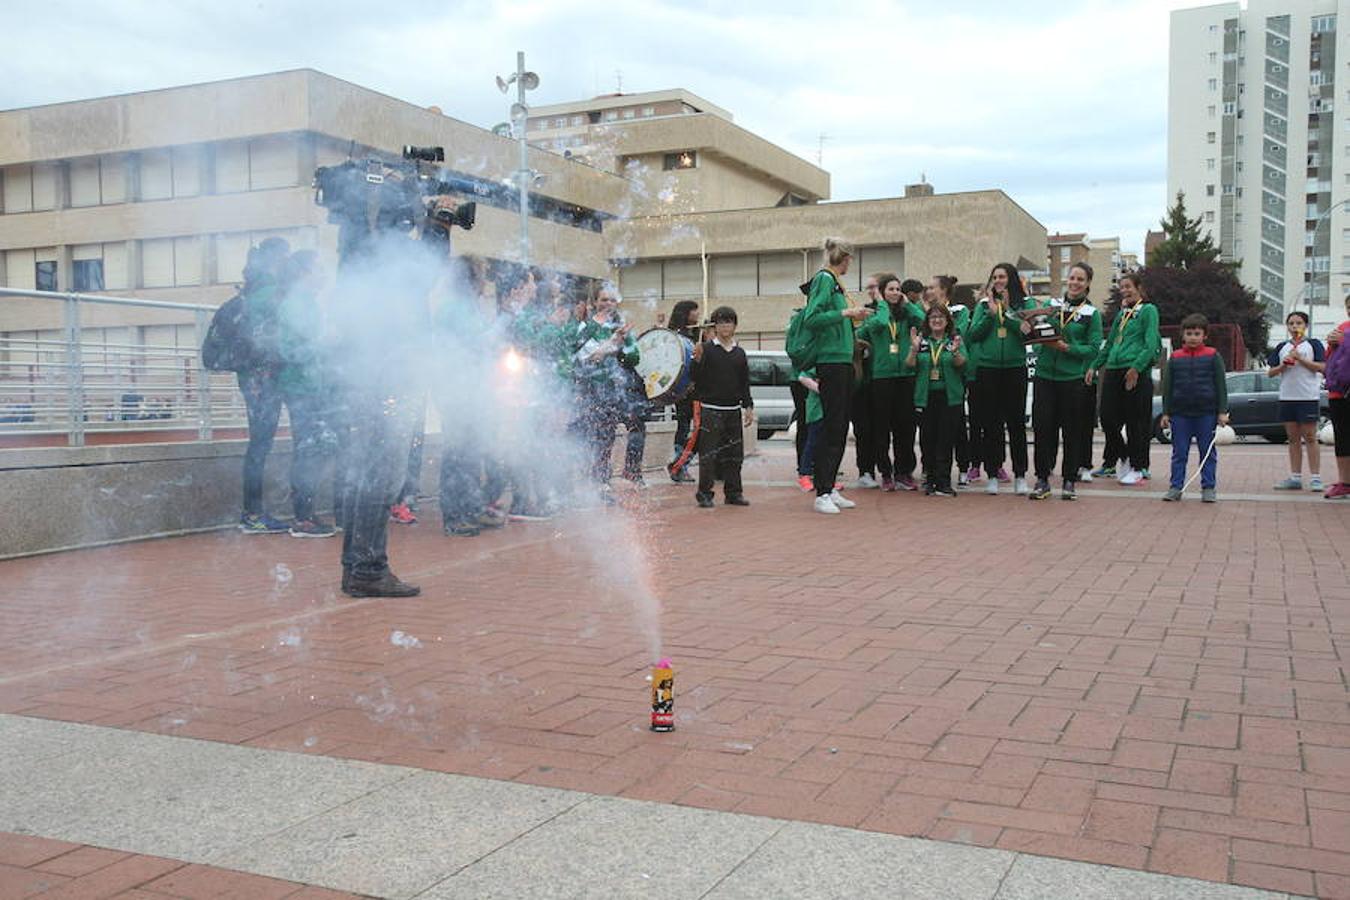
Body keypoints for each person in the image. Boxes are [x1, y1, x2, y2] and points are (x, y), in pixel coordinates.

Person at [799, 237, 872, 514]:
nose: (851, 262)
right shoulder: (825, 280)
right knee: (832, 426)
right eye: (851, 257)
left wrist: (853, 316)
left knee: (840, 426)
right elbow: (812, 317)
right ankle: (822, 492)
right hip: (831, 360)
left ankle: (828, 487)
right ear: (844, 257)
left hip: (842, 359)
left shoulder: (835, 282)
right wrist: (846, 312)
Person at [271, 250, 338, 538]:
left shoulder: (307, 303)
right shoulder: (295, 305)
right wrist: (325, 342)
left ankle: (306, 511)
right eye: (318, 269)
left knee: (315, 447)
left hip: (313, 386)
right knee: (308, 448)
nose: (323, 275)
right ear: (302, 273)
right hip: (301, 387)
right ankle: (302, 517)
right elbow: (290, 351)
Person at [1029, 262, 1103, 501]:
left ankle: (1070, 480)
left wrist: (1067, 347)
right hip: (1044, 376)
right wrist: (1030, 326)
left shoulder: (1092, 314)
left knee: (1072, 431)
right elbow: (1037, 330)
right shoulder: (1051, 305)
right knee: (1043, 430)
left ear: (1088, 283)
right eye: (1072, 278)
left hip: (1072, 379)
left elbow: (1093, 349)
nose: (1075, 283)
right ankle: (1042, 479)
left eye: (1080, 279)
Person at [234, 236, 293, 534]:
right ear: (275, 259)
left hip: (254, 376)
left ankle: (253, 512)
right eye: (285, 257)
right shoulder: (270, 292)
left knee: (259, 444)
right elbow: (280, 334)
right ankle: (253, 513)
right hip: (264, 378)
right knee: (260, 445)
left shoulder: (254, 289)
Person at [570, 282, 641, 501]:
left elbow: (634, 357)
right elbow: (578, 357)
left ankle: (601, 482)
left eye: (612, 300)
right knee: (588, 438)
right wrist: (605, 349)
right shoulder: (585, 327)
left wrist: (620, 346)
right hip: (589, 391)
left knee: (606, 438)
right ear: (594, 303)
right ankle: (583, 483)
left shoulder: (621, 328)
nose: (608, 304)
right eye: (603, 300)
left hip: (613, 392)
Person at [967, 262, 1033, 496]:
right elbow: (973, 335)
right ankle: (993, 473)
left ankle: (1021, 475)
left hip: (1015, 368)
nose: (997, 280)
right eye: (994, 277)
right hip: (988, 369)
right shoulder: (983, 305)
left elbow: (1029, 332)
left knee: (1016, 424)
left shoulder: (1025, 304)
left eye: (1002, 276)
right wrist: (992, 316)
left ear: (1011, 279)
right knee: (991, 424)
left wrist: (1008, 313)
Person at [1090, 271, 1161, 486]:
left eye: (1128, 286)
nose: (1125, 290)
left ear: (1139, 288)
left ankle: (1138, 468)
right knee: (1108, 419)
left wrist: (1137, 367)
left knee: (1135, 423)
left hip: (1135, 370)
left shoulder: (1148, 310)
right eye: (1122, 287)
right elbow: (1110, 343)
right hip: (1113, 369)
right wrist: (1095, 366)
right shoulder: (1122, 315)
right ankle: (1126, 457)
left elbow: (1150, 345)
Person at [860, 273, 923, 491]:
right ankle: (886, 473)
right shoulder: (874, 314)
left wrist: (908, 304)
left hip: (905, 376)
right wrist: (880, 304)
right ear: (882, 292)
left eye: (898, 289)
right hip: (882, 377)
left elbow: (924, 319)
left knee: (905, 427)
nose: (896, 293)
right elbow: (877, 325)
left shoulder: (907, 315)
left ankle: (903, 472)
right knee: (881, 429)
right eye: (891, 289)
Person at [1160, 314, 1229, 503]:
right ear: (1183, 335)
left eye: (1197, 333)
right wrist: (1166, 412)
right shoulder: (1175, 358)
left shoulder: (1213, 356)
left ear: (1204, 335)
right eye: (1189, 333)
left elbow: (1220, 385)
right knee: (1179, 452)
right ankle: (1176, 487)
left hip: (1206, 413)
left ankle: (1208, 487)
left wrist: (1222, 411)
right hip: (1180, 413)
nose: (1192, 337)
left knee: (1207, 452)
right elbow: (1168, 386)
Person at [690, 306, 753, 508]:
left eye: (729, 322)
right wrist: (696, 361)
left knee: (735, 454)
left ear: (735, 326)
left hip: (733, 410)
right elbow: (695, 378)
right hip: (711, 409)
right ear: (714, 326)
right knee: (708, 454)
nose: (725, 326)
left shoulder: (739, 353)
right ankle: (705, 493)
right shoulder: (706, 349)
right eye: (721, 322)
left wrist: (748, 406)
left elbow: (744, 382)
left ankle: (734, 493)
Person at [907, 304, 968, 497]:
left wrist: (956, 352)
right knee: (927, 439)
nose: (936, 320)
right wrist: (914, 349)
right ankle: (930, 479)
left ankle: (943, 481)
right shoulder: (921, 341)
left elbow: (962, 364)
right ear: (927, 321)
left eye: (941, 317)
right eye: (933, 317)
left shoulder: (954, 340)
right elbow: (909, 365)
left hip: (950, 397)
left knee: (946, 439)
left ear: (948, 320)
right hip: (925, 397)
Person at [1268, 310, 1326, 491]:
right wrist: (1283, 365)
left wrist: (1300, 358)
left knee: (1310, 437)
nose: (1295, 327)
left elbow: (1322, 367)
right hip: (1287, 397)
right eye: (1291, 324)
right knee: (1292, 439)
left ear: (1305, 326)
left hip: (1307, 397)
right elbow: (1270, 372)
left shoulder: (1313, 345)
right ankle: (1295, 477)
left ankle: (1316, 478)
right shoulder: (1282, 347)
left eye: (1298, 323)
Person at [927, 275, 976, 485]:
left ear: (944, 290)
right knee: (933, 428)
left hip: (953, 373)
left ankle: (963, 467)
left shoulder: (960, 311)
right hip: (931, 377)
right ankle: (931, 471)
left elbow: (959, 334)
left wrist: (945, 327)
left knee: (955, 425)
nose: (928, 291)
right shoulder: (926, 312)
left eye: (932, 287)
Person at [666, 299, 702, 483]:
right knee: (686, 428)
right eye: (694, 311)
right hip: (684, 391)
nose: (697, 314)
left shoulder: (698, 334)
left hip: (698, 390)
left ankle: (679, 463)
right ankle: (680, 464)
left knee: (698, 430)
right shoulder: (675, 336)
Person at [850, 275, 881, 489]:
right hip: (862, 382)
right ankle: (866, 470)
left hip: (885, 380)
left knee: (882, 429)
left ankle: (890, 471)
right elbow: (856, 335)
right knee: (864, 428)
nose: (871, 291)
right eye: (869, 287)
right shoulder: (864, 313)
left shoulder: (896, 312)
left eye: (875, 287)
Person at [1323, 295, 1350, 499]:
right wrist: (1332, 344)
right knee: (1342, 438)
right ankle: (1345, 481)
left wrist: (1345, 342)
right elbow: (1329, 359)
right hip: (1338, 392)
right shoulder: (1342, 327)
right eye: (1348, 307)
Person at [795, 367, 825, 493]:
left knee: (827, 446)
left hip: (831, 410)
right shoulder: (817, 363)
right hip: (817, 411)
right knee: (812, 443)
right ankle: (804, 474)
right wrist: (821, 390)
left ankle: (825, 478)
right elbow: (802, 377)